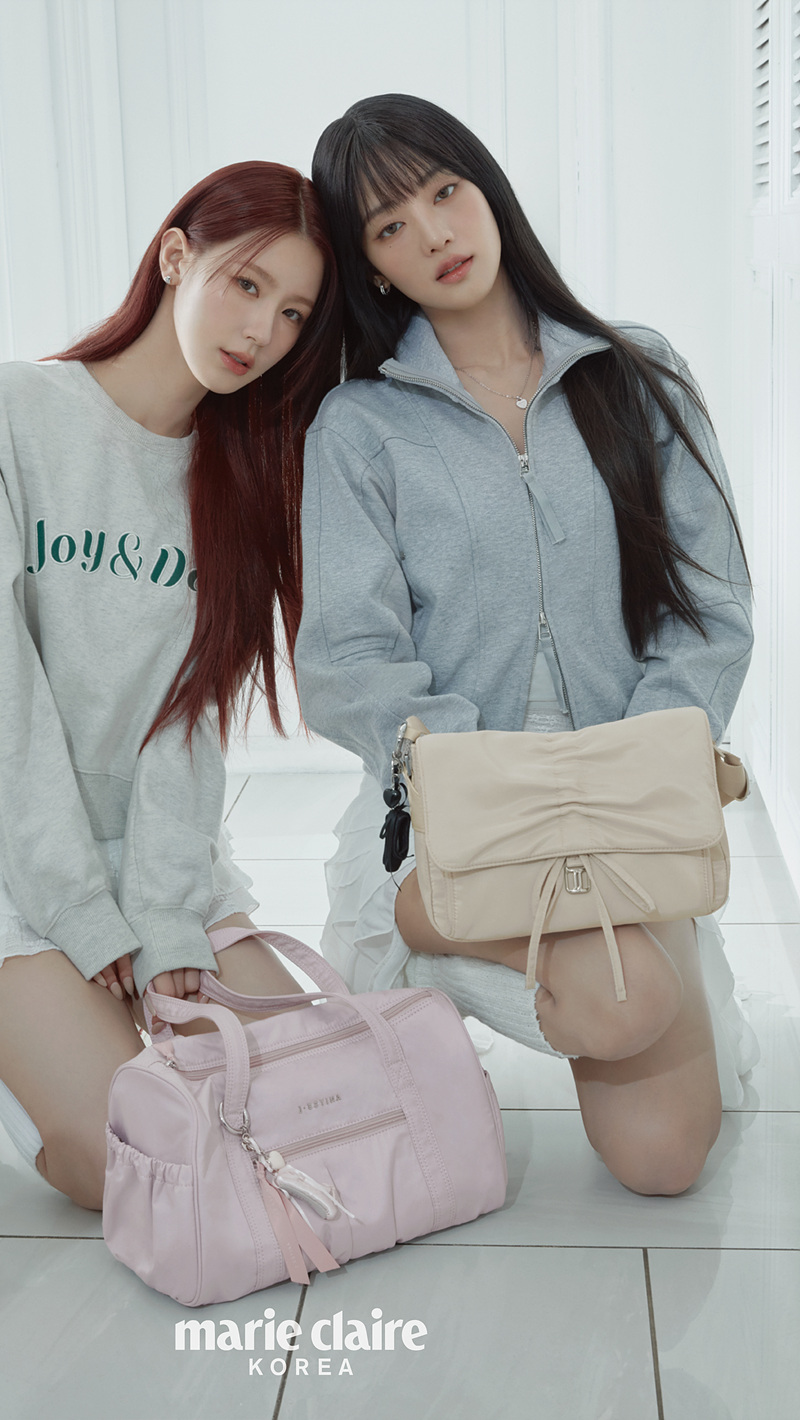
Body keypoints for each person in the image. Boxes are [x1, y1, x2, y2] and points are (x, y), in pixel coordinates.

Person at [0, 160, 343, 1210]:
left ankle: (41, 1011)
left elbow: (186, 719)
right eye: (248, 284)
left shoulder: (240, 483)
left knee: (315, 1109)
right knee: (139, 1164)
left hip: (146, 844)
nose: (263, 331)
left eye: (295, 313)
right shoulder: (9, 411)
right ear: (176, 257)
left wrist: (159, 916)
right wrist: (78, 910)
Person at [294, 95, 758, 1197]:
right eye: (389, 226)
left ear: (488, 189)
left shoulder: (636, 371)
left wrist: (640, 763)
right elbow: (350, 652)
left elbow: (708, 603)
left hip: (624, 782)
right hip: (462, 793)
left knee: (662, 1160)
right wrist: (477, 776)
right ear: (371, 267)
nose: (433, 233)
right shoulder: (360, 427)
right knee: (625, 998)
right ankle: (413, 915)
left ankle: (474, 933)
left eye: (443, 192)